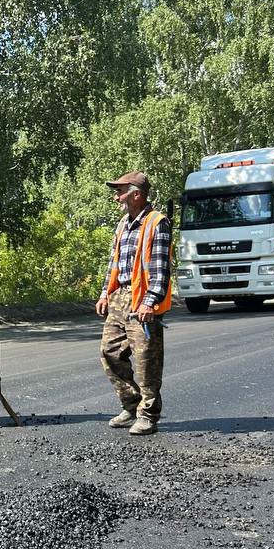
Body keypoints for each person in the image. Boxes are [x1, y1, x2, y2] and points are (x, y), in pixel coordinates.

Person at [95, 171, 172, 436]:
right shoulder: (122, 225)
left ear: (137, 194)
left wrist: (150, 302)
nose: (117, 198)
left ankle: (148, 416)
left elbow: (161, 270)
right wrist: (106, 292)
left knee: (146, 360)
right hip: (119, 298)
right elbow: (114, 263)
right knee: (110, 352)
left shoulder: (157, 223)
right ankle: (131, 405)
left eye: (121, 192)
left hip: (142, 299)